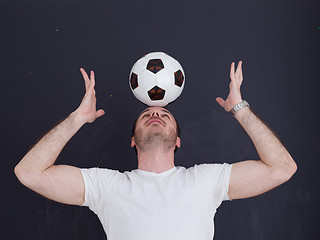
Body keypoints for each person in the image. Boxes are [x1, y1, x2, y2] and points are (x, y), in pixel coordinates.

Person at [14, 61, 297, 240]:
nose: (155, 115)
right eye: (147, 115)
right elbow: (29, 173)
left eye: (165, 115)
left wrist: (240, 108)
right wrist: (78, 118)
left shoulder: (206, 180)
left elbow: (282, 168)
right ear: (133, 140)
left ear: (177, 141)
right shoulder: (107, 186)